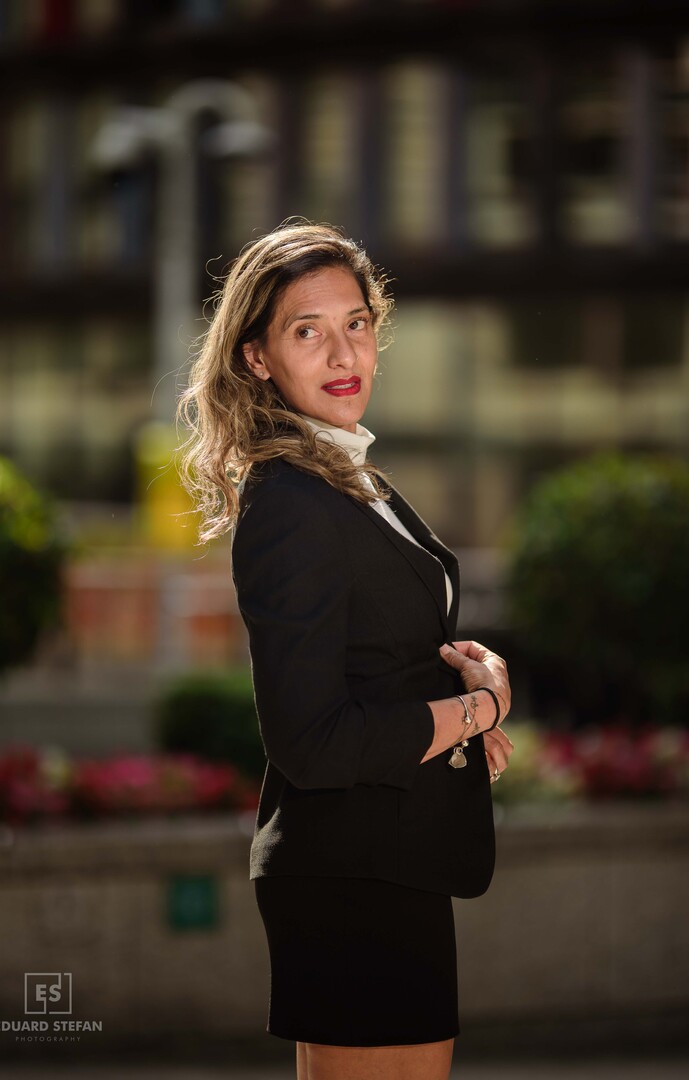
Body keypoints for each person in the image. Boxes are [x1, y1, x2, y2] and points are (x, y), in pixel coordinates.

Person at [177, 220, 513, 1080]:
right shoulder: (289, 498)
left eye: (356, 323)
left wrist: (458, 703)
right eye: (306, 330)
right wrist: (475, 709)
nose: (342, 351)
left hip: (392, 856)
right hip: (346, 871)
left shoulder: (346, 476)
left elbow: (373, 663)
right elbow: (310, 739)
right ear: (257, 357)